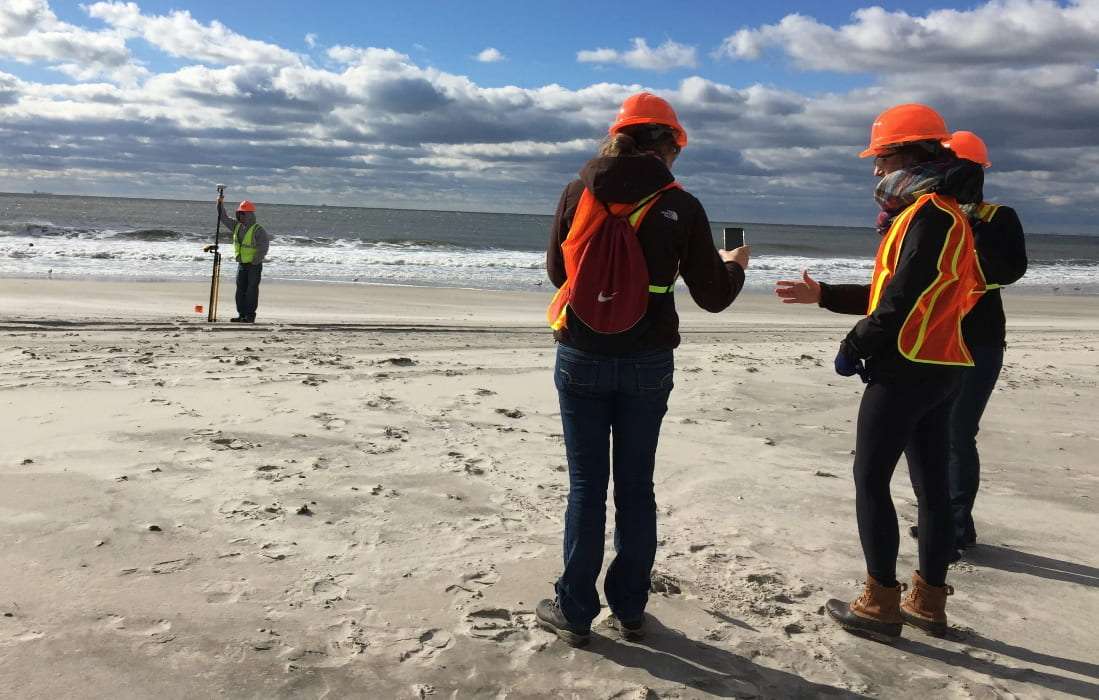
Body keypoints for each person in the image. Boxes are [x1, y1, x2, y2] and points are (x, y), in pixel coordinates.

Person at [536, 92, 749, 647]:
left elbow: (557, 269)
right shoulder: (682, 204)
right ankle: (629, 608)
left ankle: (574, 611)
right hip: (648, 360)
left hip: (580, 352)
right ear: (669, 146)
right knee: (636, 486)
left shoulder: (577, 191)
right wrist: (735, 268)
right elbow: (713, 297)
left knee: (586, 486)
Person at [774, 104, 987, 641]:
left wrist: (854, 343)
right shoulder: (942, 215)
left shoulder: (928, 216)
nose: (874, 169)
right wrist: (824, 296)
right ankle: (929, 602)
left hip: (905, 371)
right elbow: (894, 292)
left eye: (881, 156)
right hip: (942, 366)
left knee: (871, 480)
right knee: (932, 489)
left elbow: (897, 303)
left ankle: (879, 602)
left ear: (910, 155)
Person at [932, 131, 1027, 555]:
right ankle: (945, 520)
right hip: (934, 337)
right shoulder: (930, 214)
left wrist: (962, 264)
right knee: (934, 432)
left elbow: (1010, 268)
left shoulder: (997, 217)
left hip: (979, 339)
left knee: (957, 432)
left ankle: (955, 525)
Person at [217, 196, 270, 323]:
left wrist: (255, 260)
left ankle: (250, 316)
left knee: (251, 290)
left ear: (250, 215)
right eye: (239, 214)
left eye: (243, 214)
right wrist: (219, 203)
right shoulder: (236, 226)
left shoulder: (258, 229)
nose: (241, 216)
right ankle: (241, 315)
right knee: (240, 290)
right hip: (241, 264)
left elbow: (263, 246)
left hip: (254, 265)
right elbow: (223, 217)